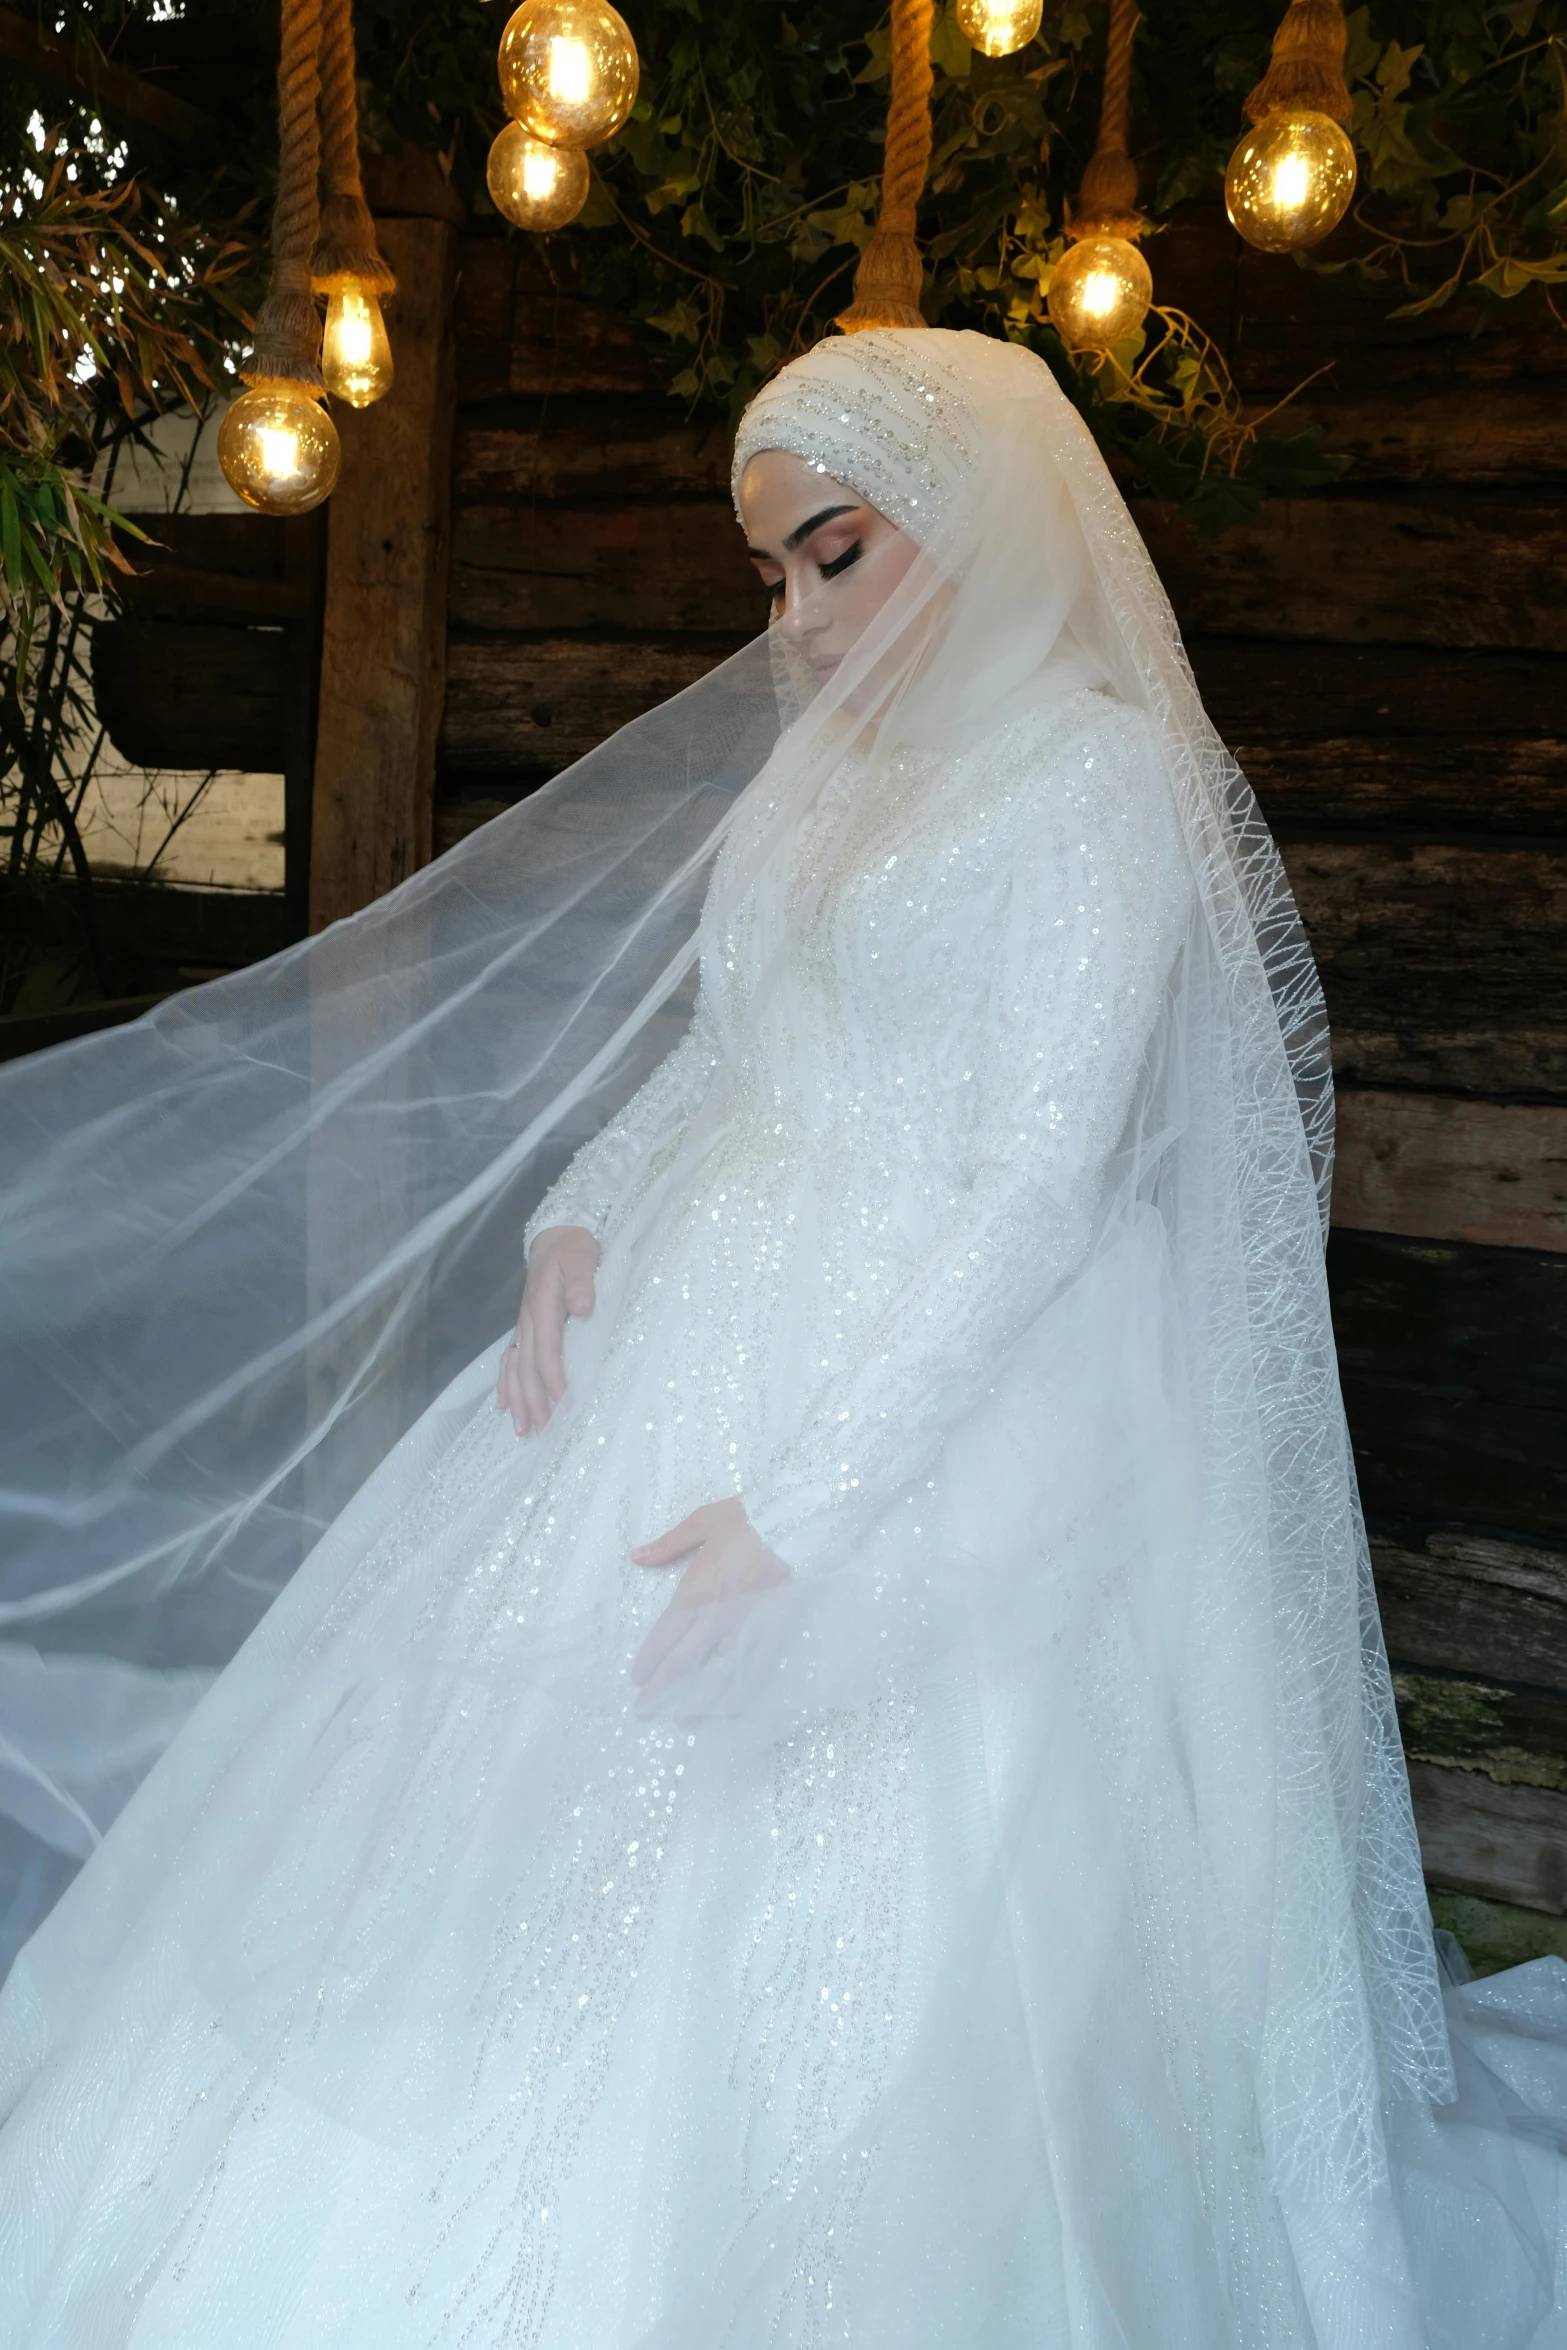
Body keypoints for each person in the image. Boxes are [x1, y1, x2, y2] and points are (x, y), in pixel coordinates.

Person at [0, 326, 1564, 2349]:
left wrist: (810, 1505)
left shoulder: (1092, 774)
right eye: (773, 576)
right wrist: (576, 1218)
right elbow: (737, 1058)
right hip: (697, 1312)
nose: (800, 623)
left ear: (979, 521)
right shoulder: (830, 761)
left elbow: (1039, 1183)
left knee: (899, 1884)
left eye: (836, 553)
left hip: (953, 1389)